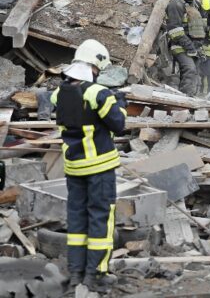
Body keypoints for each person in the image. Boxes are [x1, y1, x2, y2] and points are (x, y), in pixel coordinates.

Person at [50, 40, 127, 293]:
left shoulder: (58, 93)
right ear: (96, 65)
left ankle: (76, 273)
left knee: (77, 220)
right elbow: (118, 124)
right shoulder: (98, 94)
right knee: (101, 221)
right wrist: (121, 104)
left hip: (74, 168)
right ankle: (96, 274)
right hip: (99, 167)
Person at [165, 0, 205, 96]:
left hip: (194, 46)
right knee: (190, 69)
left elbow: (202, 24)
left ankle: (193, 97)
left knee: (199, 72)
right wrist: (190, 47)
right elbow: (175, 31)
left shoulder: (196, 4)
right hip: (179, 46)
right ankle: (185, 99)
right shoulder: (175, 4)